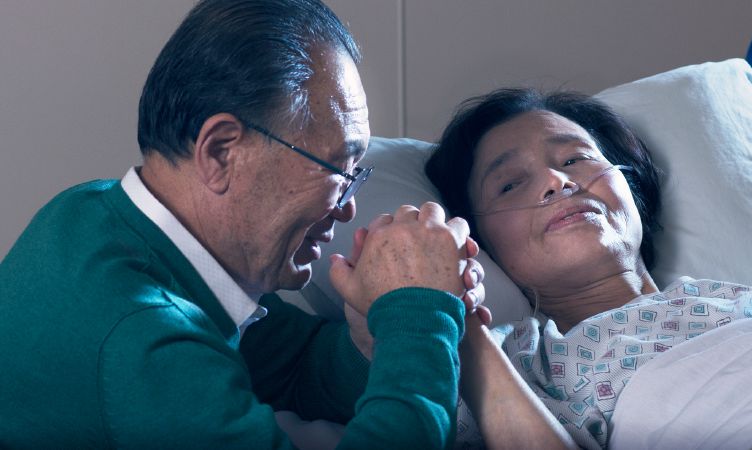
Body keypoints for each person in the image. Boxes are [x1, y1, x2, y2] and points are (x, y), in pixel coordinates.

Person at [0, 2, 575, 448]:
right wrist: (418, 316)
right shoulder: (147, 344)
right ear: (221, 152)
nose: (348, 207)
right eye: (337, 169)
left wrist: (369, 336)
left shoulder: (94, 212)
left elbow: (294, 367)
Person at [425, 88, 752, 449]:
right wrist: (461, 324)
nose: (556, 179)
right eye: (510, 184)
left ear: (632, 191)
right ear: (482, 245)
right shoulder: (520, 361)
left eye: (575, 158)